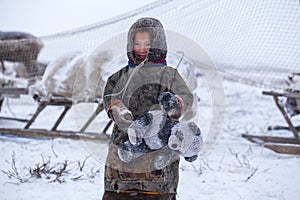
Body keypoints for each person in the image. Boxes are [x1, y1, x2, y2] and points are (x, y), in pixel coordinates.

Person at [102, 17, 195, 200]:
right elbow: (109, 96)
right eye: (137, 43)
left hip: (160, 142)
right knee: (119, 190)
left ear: (158, 43)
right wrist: (118, 111)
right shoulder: (120, 76)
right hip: (124, 139)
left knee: (157, 189)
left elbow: (186, 97)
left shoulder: (169, 75)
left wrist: (175, 105)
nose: (142, 48)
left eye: (148, 43)